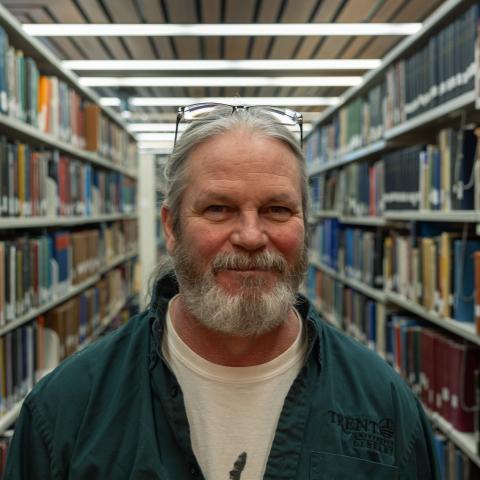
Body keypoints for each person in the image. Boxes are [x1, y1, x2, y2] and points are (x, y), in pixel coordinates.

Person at [5, 104, 439, 479]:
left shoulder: (385, 406)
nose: (251, 236)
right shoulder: (66, 412)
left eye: (277, 209)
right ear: (172, 227)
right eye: (218, 209)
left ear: (306, 225)